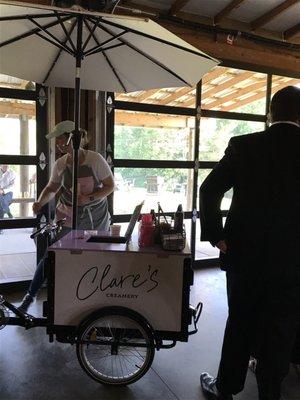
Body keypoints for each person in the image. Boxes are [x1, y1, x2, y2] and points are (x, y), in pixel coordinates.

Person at [199, 86, 300, 400]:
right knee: (282, 326)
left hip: (245, 255)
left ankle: (226, 387)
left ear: (270, 113)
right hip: (294, 260)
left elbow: (209, 189)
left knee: (240, 320)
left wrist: (216, 235)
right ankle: (270, 392)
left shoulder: (244, 146)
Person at [19, 120, 115, 312]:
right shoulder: (61, 163)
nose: (58, 144)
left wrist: (89, 197)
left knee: (92, 259)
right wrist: (39, 202)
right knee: (51, 255)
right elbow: (52, 188)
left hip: (94, 216)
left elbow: (110, 186)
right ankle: (30, 297)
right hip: (68, 215)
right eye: (57, 141)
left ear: (73, 138)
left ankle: (91, 302)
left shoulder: (95, 160)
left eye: (61, 139)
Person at [0, 165, 15, 230]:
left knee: (1, 201)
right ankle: (8, 213)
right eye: (4, 164)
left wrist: (3, 190)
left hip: (8, 193)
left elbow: (13, 186)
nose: (6, 166)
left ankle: (1, 227)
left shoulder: (12, 173)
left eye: (7, 165)